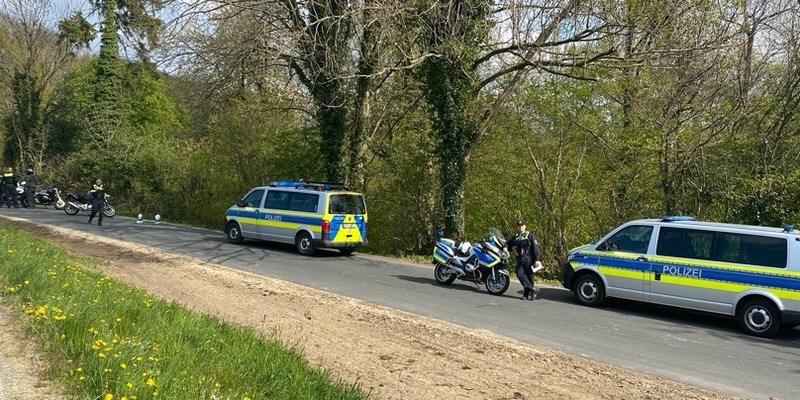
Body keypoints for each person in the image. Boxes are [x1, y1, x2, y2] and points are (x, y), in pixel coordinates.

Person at [503, 220, 542, 301]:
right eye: (519, 226)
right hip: (520, 259)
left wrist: (537, 260)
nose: (520, 227)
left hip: (529, 259)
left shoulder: (530, 236)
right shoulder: (516, 237)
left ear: (525, 226)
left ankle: (527, 294)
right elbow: (508, 243)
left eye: (522, 225)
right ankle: (532, 289)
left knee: (529, 276)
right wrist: (505, 247)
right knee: (519, 274)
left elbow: (536, 249)